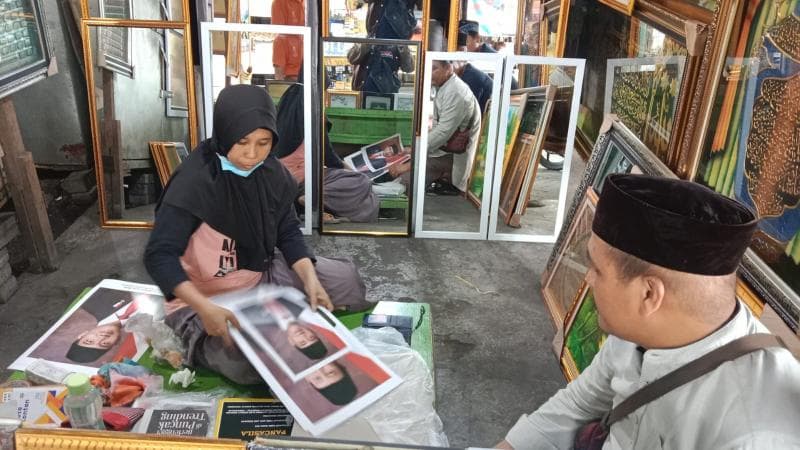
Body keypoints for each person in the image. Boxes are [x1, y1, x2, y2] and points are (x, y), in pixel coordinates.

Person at [495, 174, 800, 449]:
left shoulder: (754, 434)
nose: (587, 279)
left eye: (597, 270)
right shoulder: (638, 332)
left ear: (649, 294)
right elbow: (579, 403)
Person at [144, 84, 372, 385]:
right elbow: (159, 256)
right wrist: (204, 308)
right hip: (205, 296)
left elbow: (288, 231)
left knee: (348, 283)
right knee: (251, 363)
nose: (252, 154)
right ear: (225, 133)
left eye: (264, 143)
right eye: (242, 142)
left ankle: (280, 309)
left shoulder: (271, 173)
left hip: (260, 276)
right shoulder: (194, 184)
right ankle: (199, 335)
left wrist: (309, 278)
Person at [270, 73, 379, 224]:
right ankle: (313, 198)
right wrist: (353, 172)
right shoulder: (312, 108)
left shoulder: (288, 100)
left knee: (363, 193)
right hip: (303, 178)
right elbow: (329, 156)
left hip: (281, 176)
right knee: (362, 182)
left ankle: (316, 203)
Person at [391, 60, 481, 194]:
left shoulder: (456, 91)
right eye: (428, 69)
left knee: (403, 182)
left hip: (451, 156)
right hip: (443, 150)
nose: (430, 74)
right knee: (401, 168)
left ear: (448, 68)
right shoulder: (445, 86)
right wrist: (414, 149)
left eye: (434, 69)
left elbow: (443, 131)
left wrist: (410, 161)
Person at [271, 0, 304, 80]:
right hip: (293, 84)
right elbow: (279, 81)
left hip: (309, 79)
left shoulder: (310, 4)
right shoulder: (280, 41)